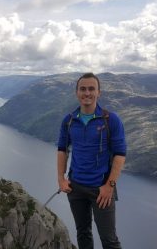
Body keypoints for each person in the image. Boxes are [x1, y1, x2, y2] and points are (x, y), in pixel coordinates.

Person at [57, 73, 127, 249]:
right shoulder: (69, 120)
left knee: (109, 240)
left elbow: (120, 154)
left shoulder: (111, 120)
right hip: (76, 188)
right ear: (77, 93)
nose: (87, 93)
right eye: (83, 89)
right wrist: (61, 179)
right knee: (83, 234)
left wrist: (109, 186)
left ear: (99, 93)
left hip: (101, 189)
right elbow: (62, 150)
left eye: (91, 89)